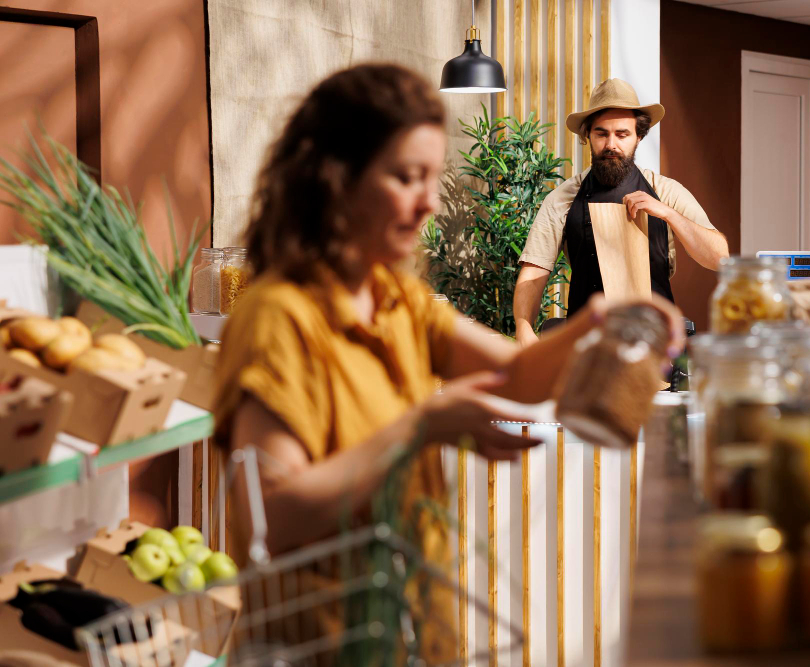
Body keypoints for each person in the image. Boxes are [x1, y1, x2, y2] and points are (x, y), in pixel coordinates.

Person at [213, 64, 687, 660]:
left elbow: (517, 375)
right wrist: (423, 426)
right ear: (336, 178)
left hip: (413, 623)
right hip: (329, 642)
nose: (429, 203)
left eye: (431, 178)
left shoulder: (397, 299)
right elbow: (273, 518)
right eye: (406, 177)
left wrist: (597, 322)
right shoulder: (278, 319)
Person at [514, 78, 729, 347]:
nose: (611, 144)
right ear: (588, 136)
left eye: (622, 134)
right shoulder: (562, 198)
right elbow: (534, 272)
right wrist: (523, 327)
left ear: (639, 136)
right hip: (585, 344)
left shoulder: (666, 191)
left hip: (655, 344)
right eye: (601, 134)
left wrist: (668, 213)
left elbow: (720, 258)